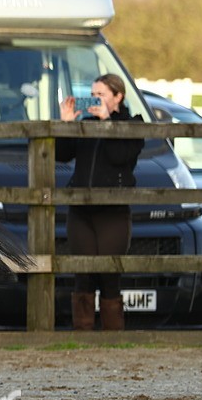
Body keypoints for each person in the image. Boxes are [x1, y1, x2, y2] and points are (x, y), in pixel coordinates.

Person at [56, 74, 145, 331]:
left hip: (112, 211)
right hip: (81, 210)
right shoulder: (86, 123)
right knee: (82, 275)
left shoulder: (132, 125)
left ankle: (112, 338)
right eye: (92, 94)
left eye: (101, 95)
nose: (95, 99)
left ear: (118, 97)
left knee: (109, 275)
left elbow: (120, 156)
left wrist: (107, 122)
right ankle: (82, 338)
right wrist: (67, 124)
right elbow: (62, 154)